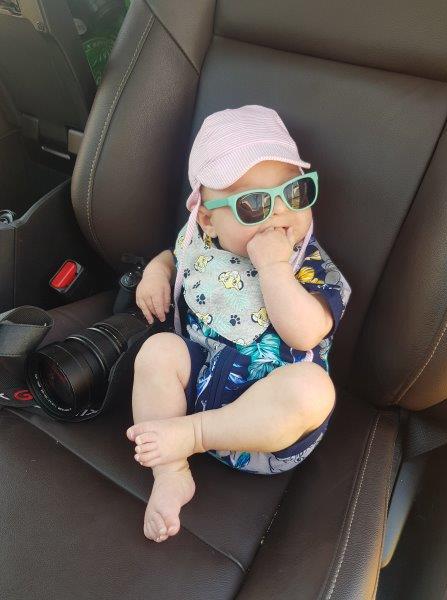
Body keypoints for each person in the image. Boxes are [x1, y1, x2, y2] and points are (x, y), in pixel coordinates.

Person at [126, 105, 351, 543]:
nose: (280, 215)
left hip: (267, 429)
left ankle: (191, 437)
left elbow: (305, 333)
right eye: (253, 205)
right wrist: (156, 272)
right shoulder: (200, 242)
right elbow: (176, 256)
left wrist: (274, 270)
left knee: (315, 391)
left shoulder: (310, 264)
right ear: (208, 219)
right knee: (157, 352)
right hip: (202, 387)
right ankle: (171, 474)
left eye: (295, 193)